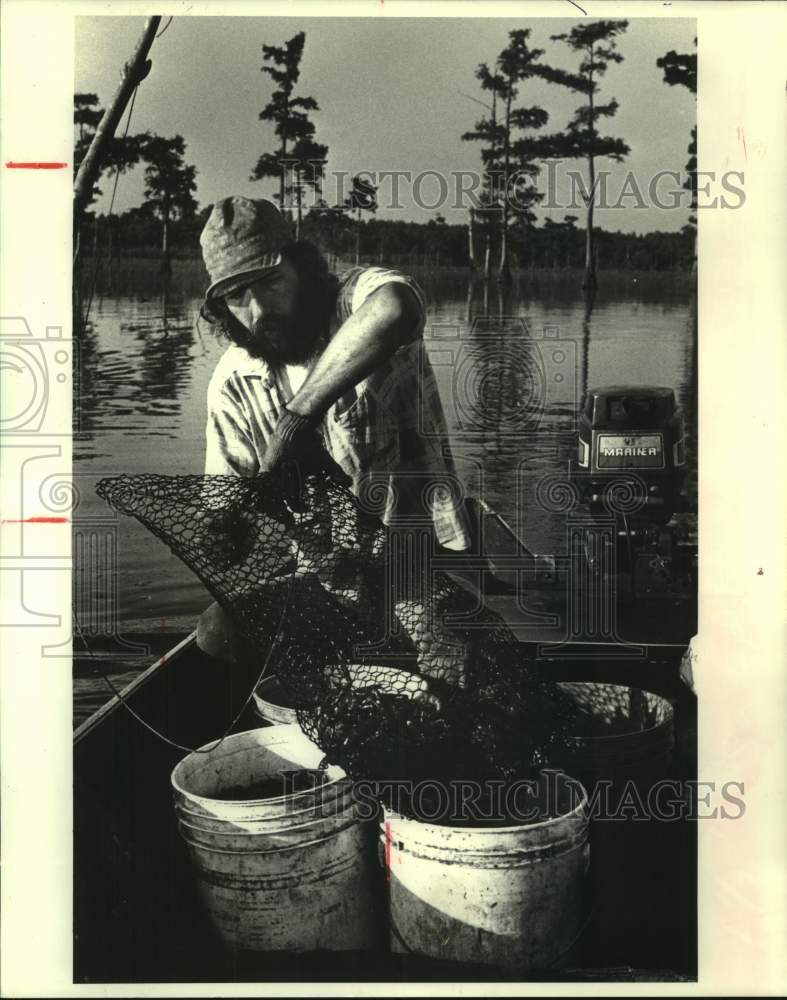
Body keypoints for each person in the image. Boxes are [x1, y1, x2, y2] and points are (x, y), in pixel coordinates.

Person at [195, 196, 473, 661]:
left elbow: (397, 308)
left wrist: (295, 420)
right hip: (335, 578)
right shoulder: (232, 383)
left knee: (441, 661)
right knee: (216, 631)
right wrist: (222, 531)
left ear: (302, 268)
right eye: (237, 296)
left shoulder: (356, 301)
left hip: (422, 563)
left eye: (270, 282)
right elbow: (223, 505)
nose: (259, 311)